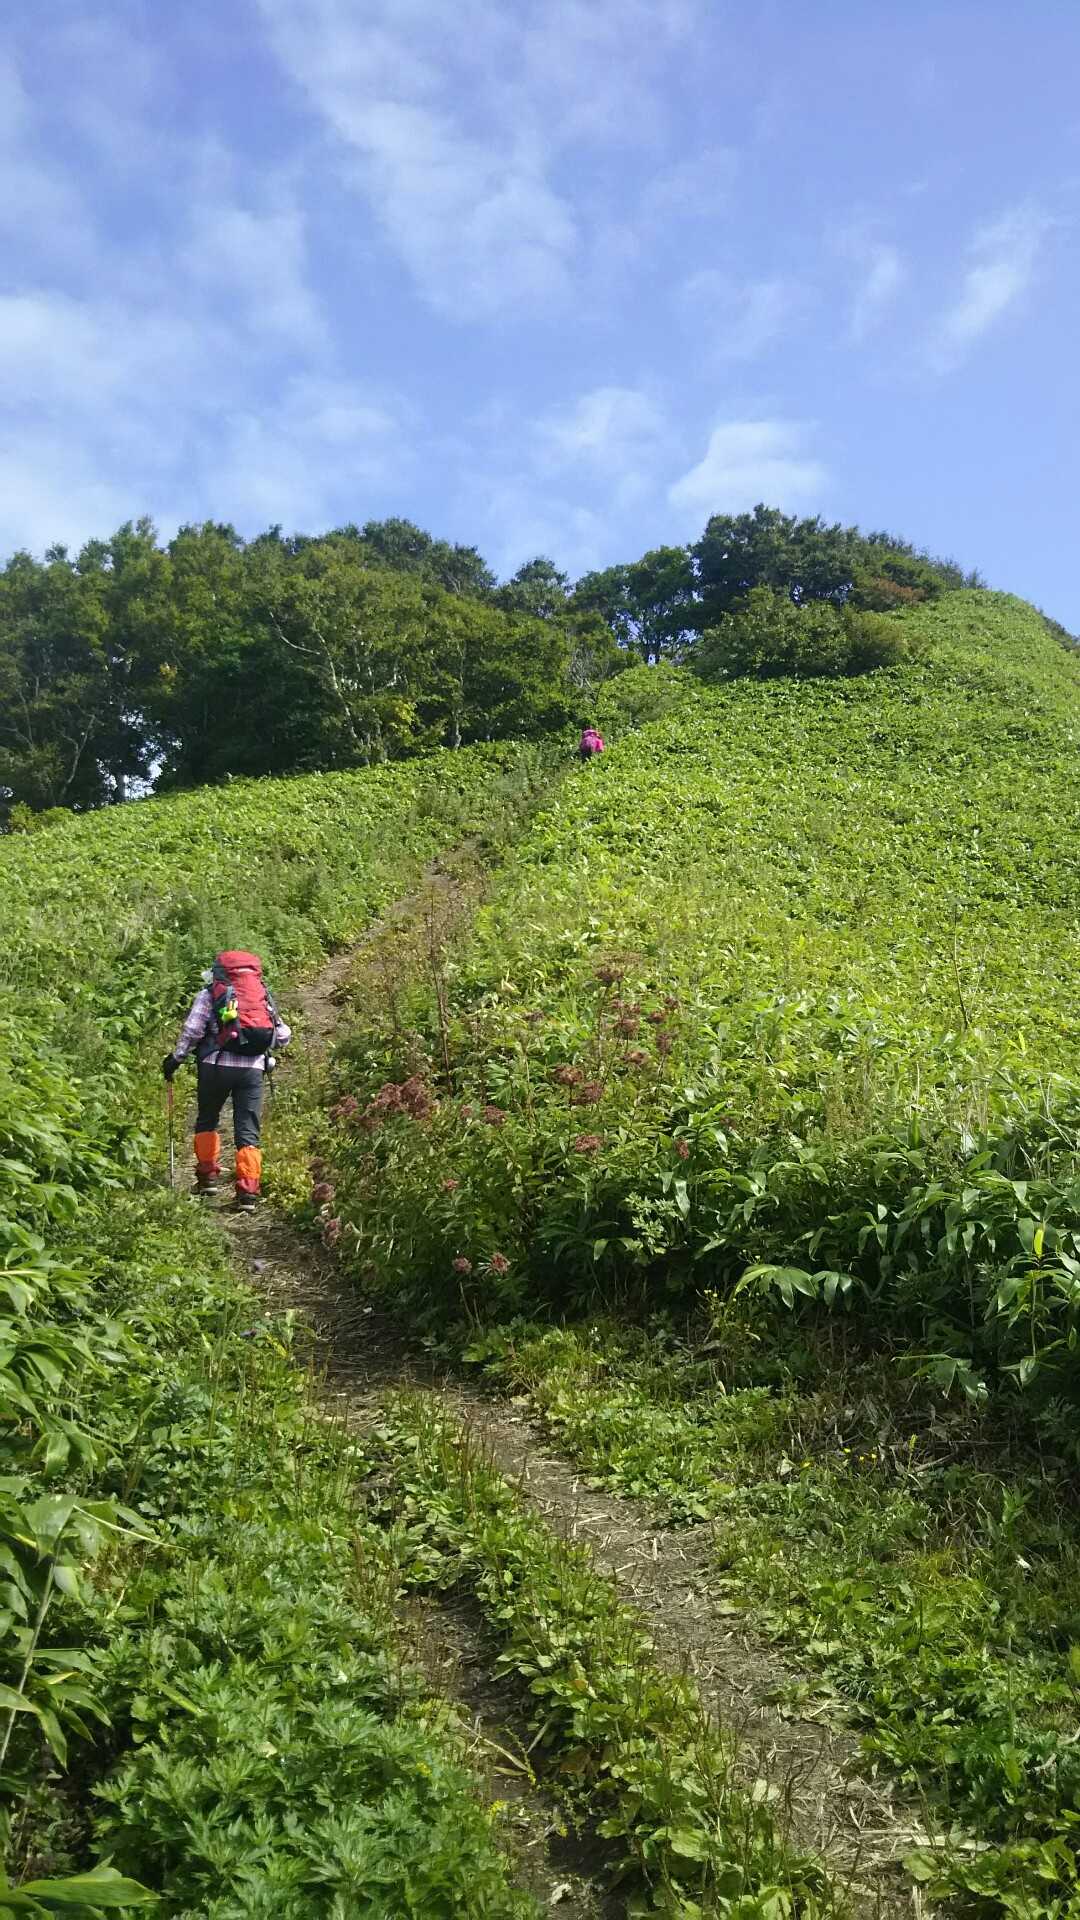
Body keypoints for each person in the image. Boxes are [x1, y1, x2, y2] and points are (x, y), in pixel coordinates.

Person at [162, 950, 291, 1211]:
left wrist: (176, 1058)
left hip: (215, 1066)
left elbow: (193, 1029)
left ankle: (208, 1178)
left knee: (207, 1119)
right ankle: (248, 1191)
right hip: (252, 1070)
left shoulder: (209, 994)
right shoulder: (261, 994)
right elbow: (283, 1035)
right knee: (248, 1131)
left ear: (218, 973)